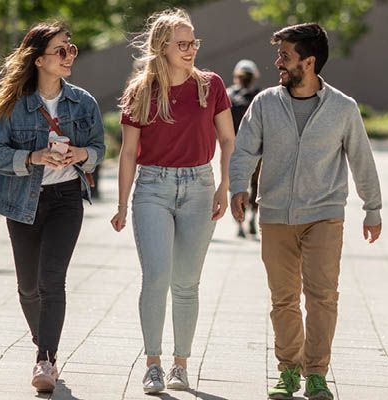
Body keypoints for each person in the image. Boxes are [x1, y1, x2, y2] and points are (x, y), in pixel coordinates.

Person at [229, 23, 382, 400]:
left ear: (309, 62)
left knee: (322, 296)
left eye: (285, 56)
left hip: (324, 215)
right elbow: (245, 148)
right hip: (276, 214)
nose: (277, 62)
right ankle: (288, 371)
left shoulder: (342, 108)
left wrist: (372, 207)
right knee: (283, 298)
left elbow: (362, 159)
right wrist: (237, 186)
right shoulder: (265, 102)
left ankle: (316, 373)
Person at [110, 9, 235, 394]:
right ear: (162, 47)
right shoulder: (141, 91)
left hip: (200, 186)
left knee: (186, 283)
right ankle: (153, 364)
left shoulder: (210, 85)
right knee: (157, 277)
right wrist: (121, 203)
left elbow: (229, 139)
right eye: (182, 43)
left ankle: (181, 364)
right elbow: (128, 153)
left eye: (193, 42)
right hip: (152, 188)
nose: (190, 49)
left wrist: (224, 186)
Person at [0, 22, 105, 392]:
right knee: (28, 287)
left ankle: (45, 359)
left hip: (66, 199)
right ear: (38, 60)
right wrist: (32, 157)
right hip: (22, 203)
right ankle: (43, 344)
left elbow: (99, 148)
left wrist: (84, 154)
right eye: (61, 50)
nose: (69, 56)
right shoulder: (13, 104)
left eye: (72, 49)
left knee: (52, 281)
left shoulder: (83, 102)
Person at [226, 59, 261, 238]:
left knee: (237, 184)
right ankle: (252, 218)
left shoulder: (229, 95)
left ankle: (240, 223)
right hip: (258, 147)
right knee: (256, 184)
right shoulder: (260, 96)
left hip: (234, 148)